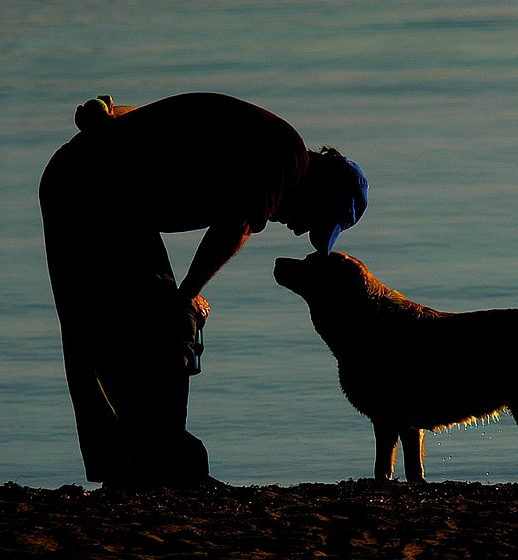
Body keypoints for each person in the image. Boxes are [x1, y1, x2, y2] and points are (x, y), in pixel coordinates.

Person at [40, 92, 369, 489]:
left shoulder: (269, 146)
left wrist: (108, 118)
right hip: (95, 193)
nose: (300, 231)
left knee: (96, 326)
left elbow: (160, 119)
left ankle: (130, 469)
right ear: (322, 189)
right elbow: (236, 225)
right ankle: (167, 469)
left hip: (90, 186)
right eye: (316, 222)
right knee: (166, 320)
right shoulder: (288, 158)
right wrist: (187, 296)